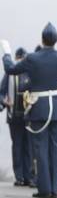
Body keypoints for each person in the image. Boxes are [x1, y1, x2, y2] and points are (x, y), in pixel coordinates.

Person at [1, 23, 57, 198]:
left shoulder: (33, 58)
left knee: (41, 149)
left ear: (42, 39)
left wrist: (7, 53)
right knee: (56, 148)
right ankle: (55, 189)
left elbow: (10, 69)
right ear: (56, 40)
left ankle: (44, 189)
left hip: (39, 108)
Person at [0, 47, 32, 186]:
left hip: (29, 116)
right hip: (14, 116)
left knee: (28, 147)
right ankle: (19, 176)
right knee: (17, 146)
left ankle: (28, 176)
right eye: (19, 58)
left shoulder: (30, 72)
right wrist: (4, 101)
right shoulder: (10, 74)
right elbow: (1, 92)